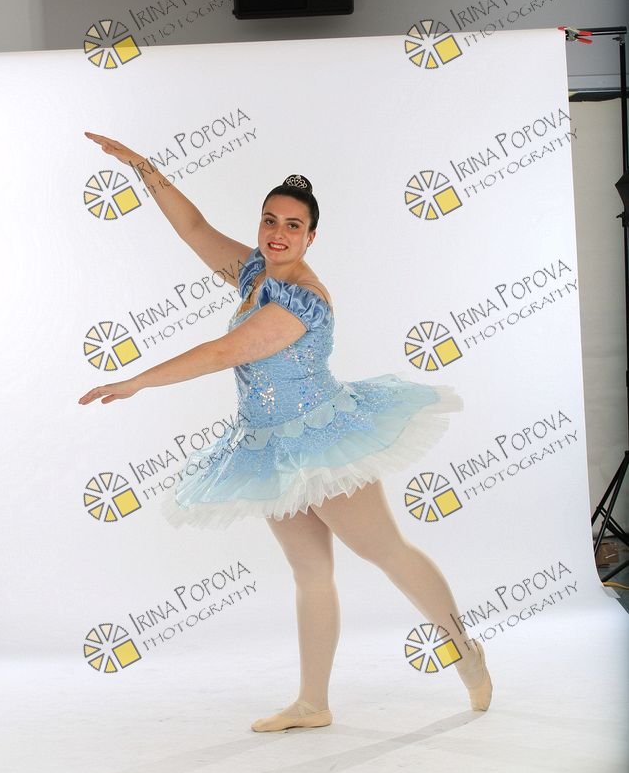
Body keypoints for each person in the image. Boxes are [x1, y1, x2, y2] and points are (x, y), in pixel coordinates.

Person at [80, 131, 493, 732]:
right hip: (270, 447)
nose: (278, 233)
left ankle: (464, 649)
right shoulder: (254, 271)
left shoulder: (301, 301)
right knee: (310, 572)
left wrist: (138, 380)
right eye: (269, 220)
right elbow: (193, 228)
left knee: (386, 552)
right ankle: (313, 703)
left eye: (292, 226)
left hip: (320, 440)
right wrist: (144, 168)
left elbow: (224, 352)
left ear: (310, 236)